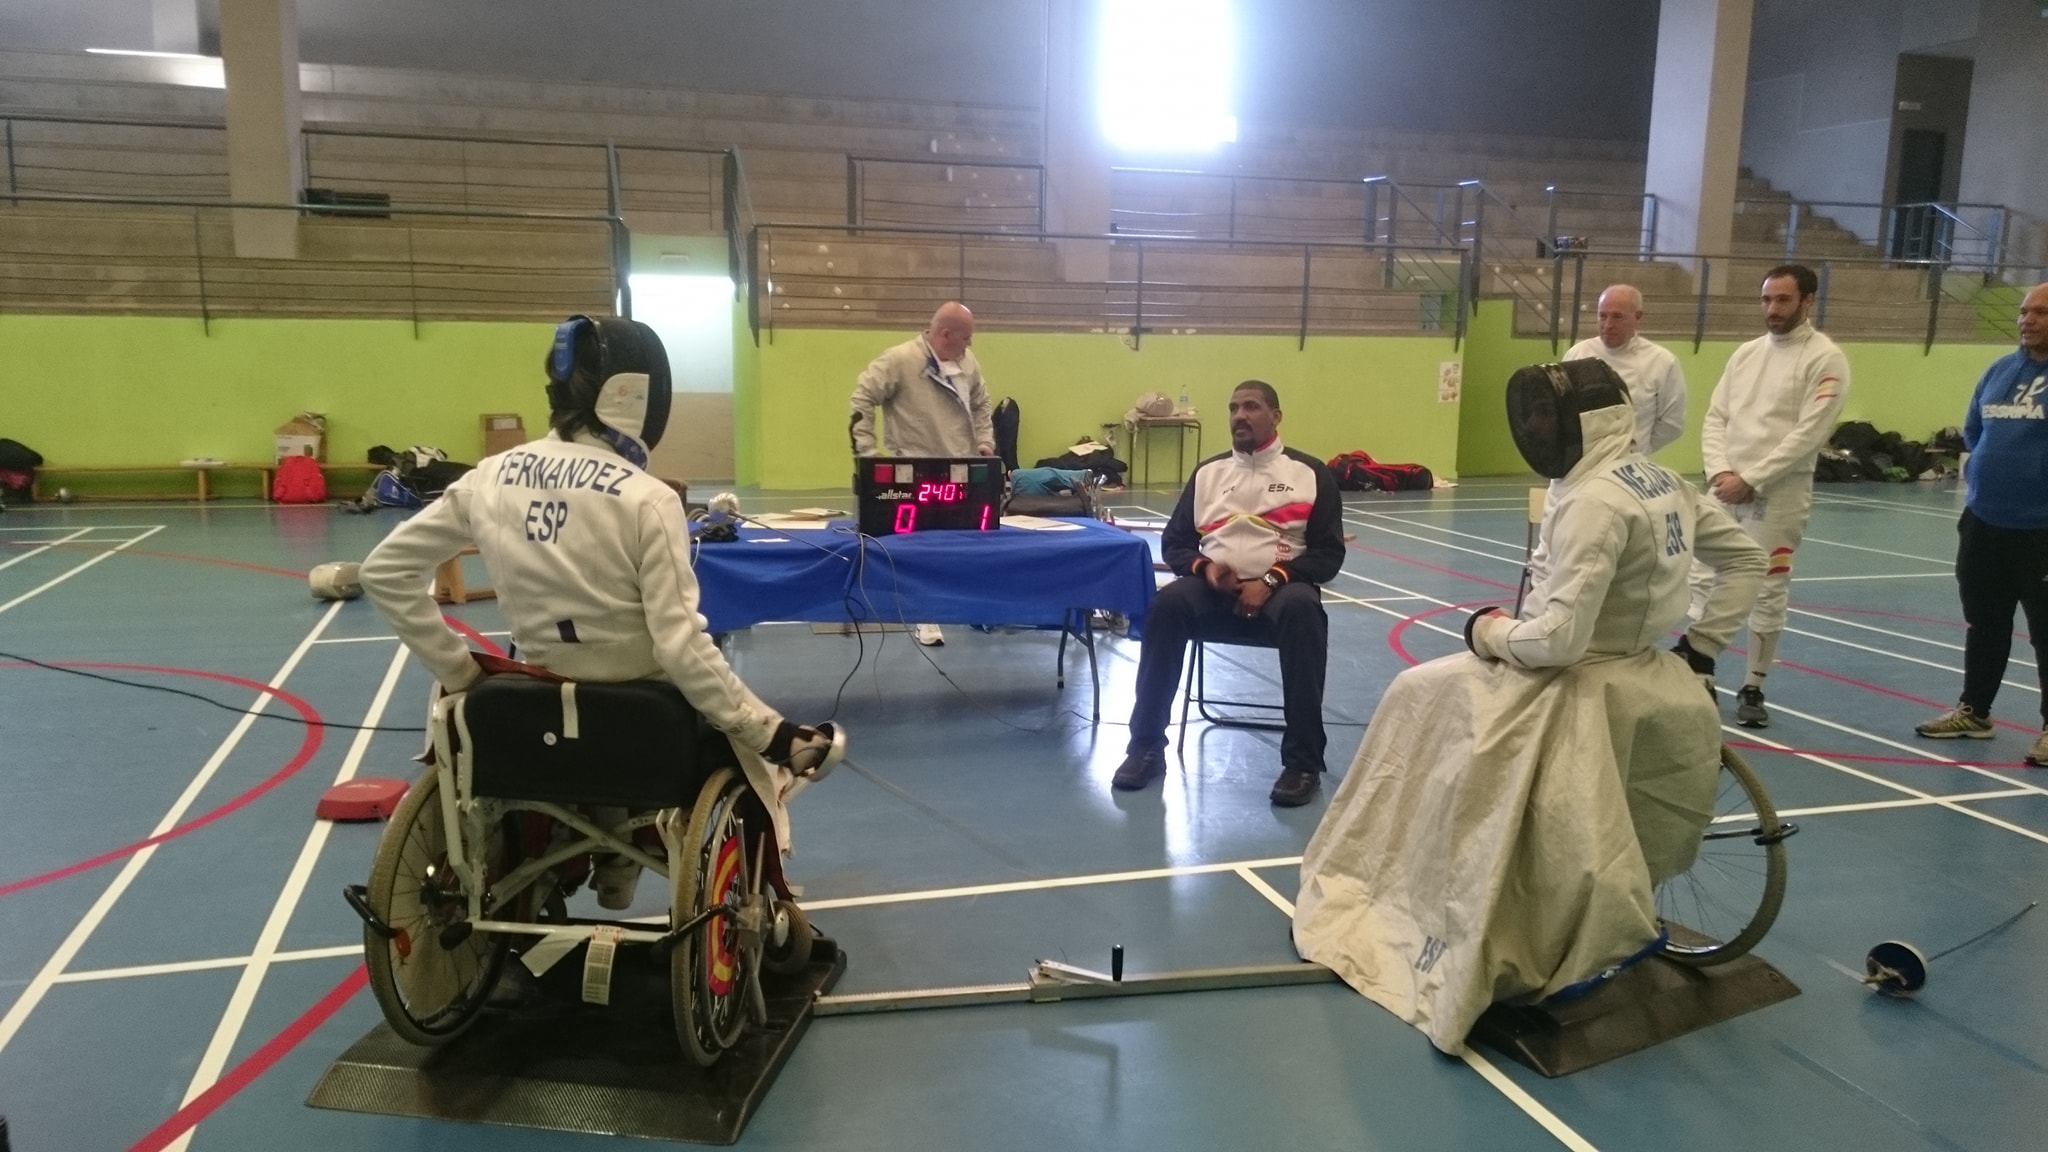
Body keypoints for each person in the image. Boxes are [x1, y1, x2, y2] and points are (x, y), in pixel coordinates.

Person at [1293, 359, 1765, 1052]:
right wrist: (1701, 648)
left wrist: (1484, 631)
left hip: (1573, 678)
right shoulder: (1660, 479)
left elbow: (1558, 642)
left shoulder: (1597, 500)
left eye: (1547, 415)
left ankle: (1418, 890)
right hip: (1648, 667)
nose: (1537, 428)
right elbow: (1748, 559)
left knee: (1415, 695)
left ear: (1585, 423)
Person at [360, 315, 831, 909]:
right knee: (749, 748)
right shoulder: (648, 499)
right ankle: (628, 858)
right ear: (638, 397)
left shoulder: (491, 477)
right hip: (647, 725)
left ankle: (598, 854)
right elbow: (679, 649)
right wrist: (771, 732)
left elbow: (383, 571)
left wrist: (459, 671)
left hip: (532, 711)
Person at [1110, 380, 1344, 807]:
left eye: (1251, 407)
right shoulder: (1209, 473)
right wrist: (1205, 568)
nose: (1240, 416)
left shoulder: (1310, 474)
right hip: (1213, 590)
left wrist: (1271, 581)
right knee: (1166, 605)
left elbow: (1329, 555)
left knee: (1305, 613)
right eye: (1234, 408)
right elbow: (1176, 543)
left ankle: (1302, 763)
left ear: (1275, 416)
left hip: (1282, 590)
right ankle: (1145, 748)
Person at [1691, 263, 1851, 728]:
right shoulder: (1745, 354)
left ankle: (1753, 686)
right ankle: (1699, 674)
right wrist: (1721, 471)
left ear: (1808, 301)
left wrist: (1753, 479)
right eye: (1766, 299)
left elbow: (1809, 433)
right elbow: (1716, 417)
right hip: (1724, 488)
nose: (1772, 309)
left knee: (1767, 585)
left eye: (1782, 300)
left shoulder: (1826, 359)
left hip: (1779, 494)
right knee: (1702, 579)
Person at [1914, 283, 2048, 762]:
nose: (2027, 320)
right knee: (1985, 622)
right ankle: (1975, 711)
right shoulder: (1999, 371)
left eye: (2041, 312)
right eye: (2024, 311)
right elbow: (1974, 431)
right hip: (1984, 522)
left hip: (2041, 530)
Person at [849, 300, 996, 646]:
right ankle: (925, 615)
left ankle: (974, 607)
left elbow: (981, 403)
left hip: (961, 466)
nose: (970, 344)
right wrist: (867, 454)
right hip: (915, 467)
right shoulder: (900, 360)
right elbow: (862, 398)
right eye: (966, 337)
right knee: (921, 548)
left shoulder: (968, 362)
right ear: (945, 334)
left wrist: (985, 442)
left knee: (966, 542)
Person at [1563, 283, 1688, 456]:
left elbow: (1672, 423)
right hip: (1580, 462)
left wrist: (1639, 448)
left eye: (1617, 317)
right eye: (1602, 316)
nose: (1608, 325)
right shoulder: (1577, 354)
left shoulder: (1662, 361)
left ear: (1637, 317)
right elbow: (1564, 411)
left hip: (1630, 461)